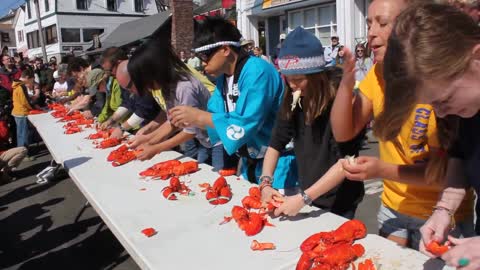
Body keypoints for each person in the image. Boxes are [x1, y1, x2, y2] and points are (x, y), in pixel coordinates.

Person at [330, 0, 474, 250]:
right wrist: (347, 81)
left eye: (383, 23)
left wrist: (382, 170)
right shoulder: (377, 75)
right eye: (369, 23)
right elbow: (344, 132)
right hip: (398, 208)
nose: (372, 32)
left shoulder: (457, 91)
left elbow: (449, 170)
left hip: (445, 217)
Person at [376, 3, 480, 268]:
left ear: (476, 58)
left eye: (445, 99)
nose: (441, 114)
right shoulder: (466, 111)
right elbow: (461, 156)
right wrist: (443, 210)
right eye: (432, 105)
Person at [169, 17, 296, 184]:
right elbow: (214, 117)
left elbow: (246, 121)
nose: (202, 63)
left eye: (205, 56)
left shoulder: (257, 70)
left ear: (225, 49)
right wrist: (189, 119)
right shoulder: (225, 78)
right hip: (248, 162)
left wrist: (199, 117)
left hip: (278, 165)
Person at [260, 27, 364, 218]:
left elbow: (347, 161)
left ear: (317, 75)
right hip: (309, 194)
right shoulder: (293, 100)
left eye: (299, 80)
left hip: (340, 198)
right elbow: (275, 144)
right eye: (288, 79)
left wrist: (303, 199)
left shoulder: (340, 103)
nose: (292, 86)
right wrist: (265, 184)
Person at [125, 39, 216, 167]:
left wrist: (156, 148)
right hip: (205, 140)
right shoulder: (167, 88)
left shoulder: (184, 87)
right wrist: (147, 140)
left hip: (219, 141)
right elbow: (172, 122)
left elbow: (191, 130)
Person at [11, 70, 35, 160]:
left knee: (20, 134)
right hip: (22, 112)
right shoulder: (21, 86)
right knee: (23, 134)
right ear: (27, 78)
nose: (32, 82)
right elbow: (24, 101)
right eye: (32, 80)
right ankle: (23, 155)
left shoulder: (16, 85)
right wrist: (32, 108)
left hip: (17, 112)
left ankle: (20, 152)